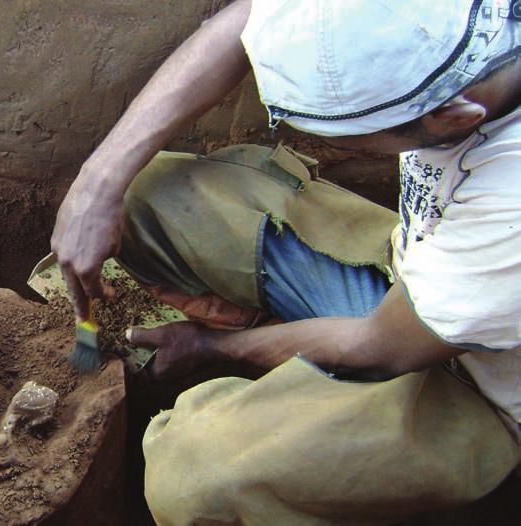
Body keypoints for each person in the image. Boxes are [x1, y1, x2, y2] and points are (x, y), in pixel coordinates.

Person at [51, 1, 520, 524]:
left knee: (195, 478)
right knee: (141, 198)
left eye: (351, 133)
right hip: (416, 274)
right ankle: (284, 341)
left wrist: (215, 345)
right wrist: (99, 182)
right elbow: (247, 18)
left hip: (478, 385)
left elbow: (381, 347)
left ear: (452, 117)